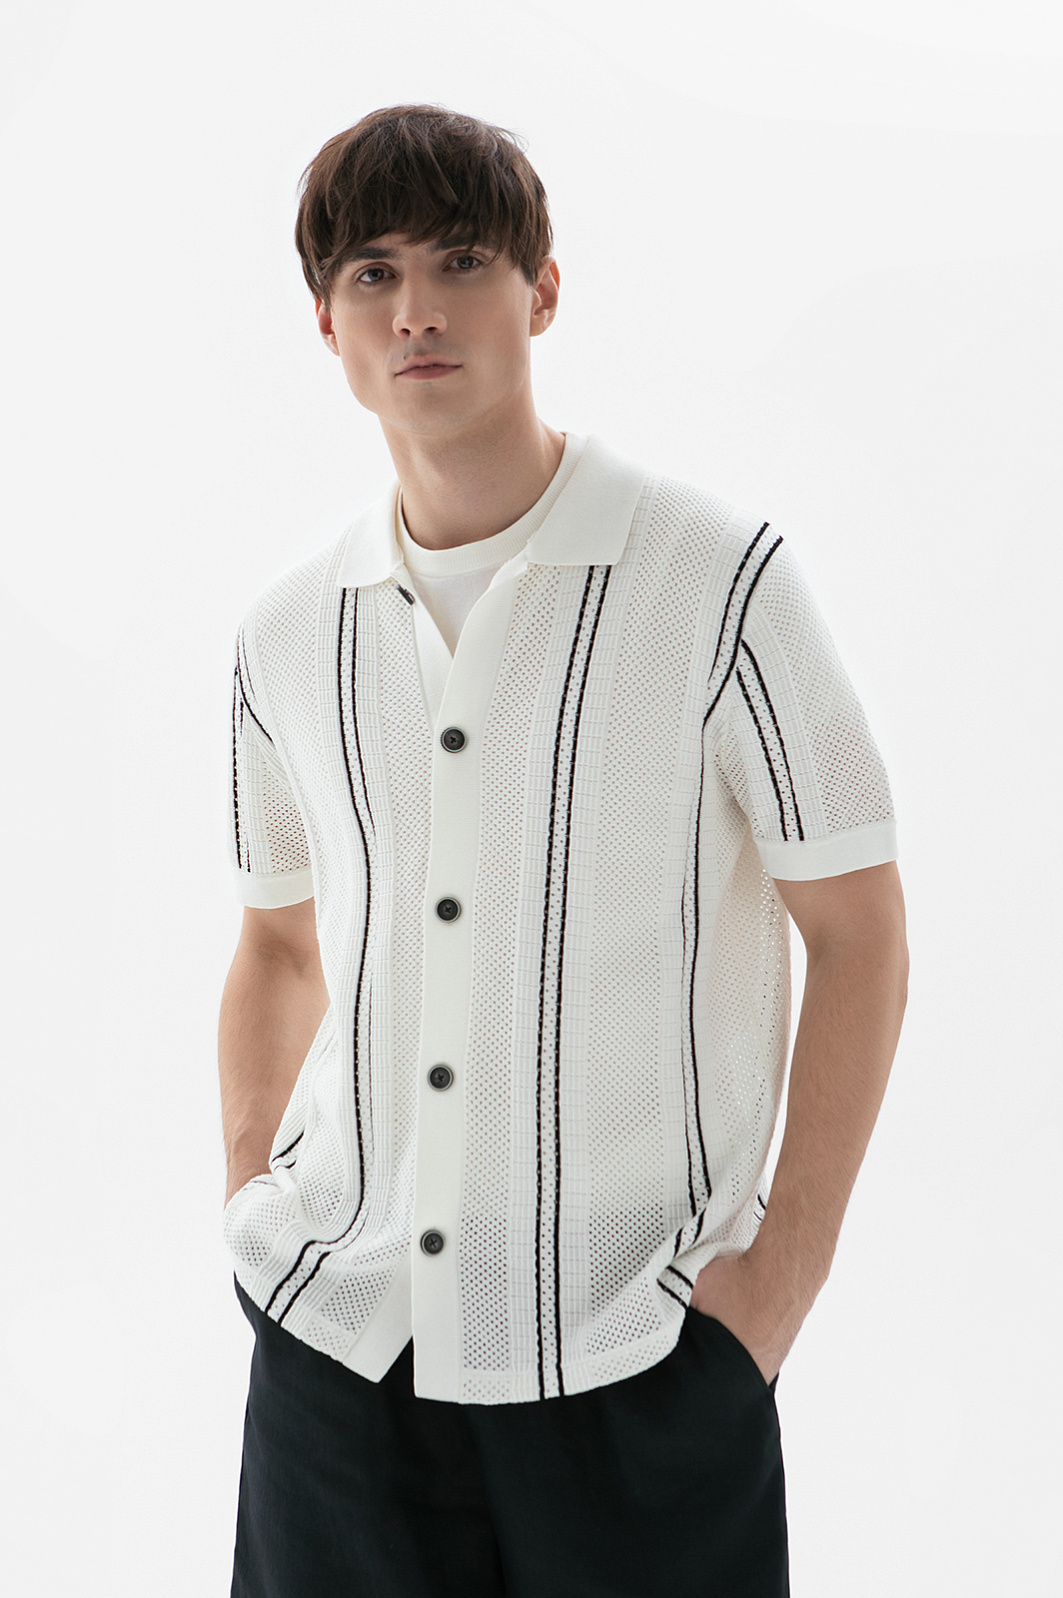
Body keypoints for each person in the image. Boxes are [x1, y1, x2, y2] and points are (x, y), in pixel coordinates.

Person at [217, 103, 909, 1598]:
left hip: (635, 1361)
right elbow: (276, 941)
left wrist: (774, 1291)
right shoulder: (286, 634)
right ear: (326, 322)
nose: (416, 309)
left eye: (460, 261)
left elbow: (859, 930)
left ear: (541, 289)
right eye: (372, 273)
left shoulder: (719, 582)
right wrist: (252, 1208)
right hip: (340, 1362)